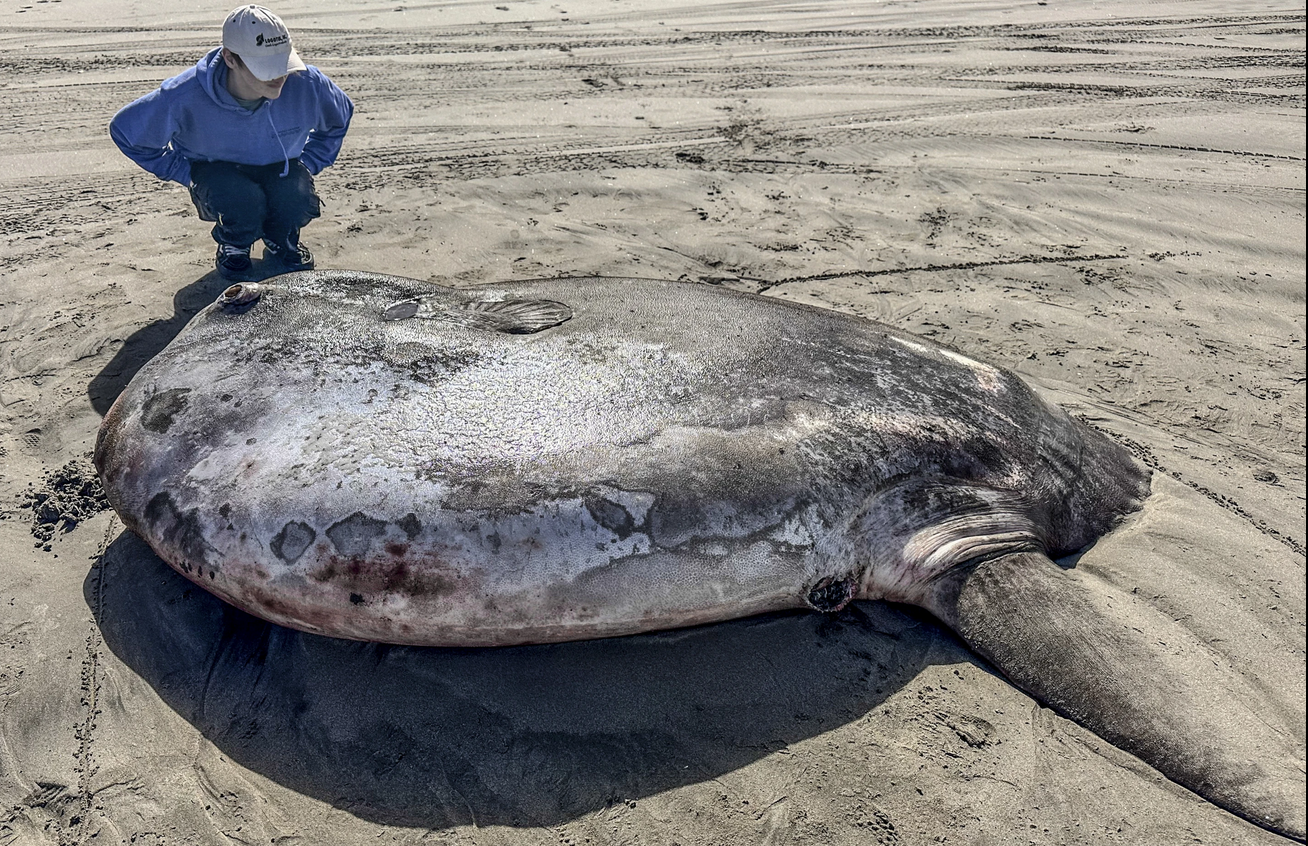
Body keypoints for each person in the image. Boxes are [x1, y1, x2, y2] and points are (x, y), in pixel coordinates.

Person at [110, 5, 353, 279]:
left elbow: (340, 117)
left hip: (281, 167)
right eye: (265, 67)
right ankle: (234, 245)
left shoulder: (308, 83)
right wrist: (184, 173)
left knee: (295, 198)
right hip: (217, 173)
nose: (278, 76)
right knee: (241, 201)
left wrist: (310, 163)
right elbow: (126, 132)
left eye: (282, 63)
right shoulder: (183, 95)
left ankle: (282, 238)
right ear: (230, 58)